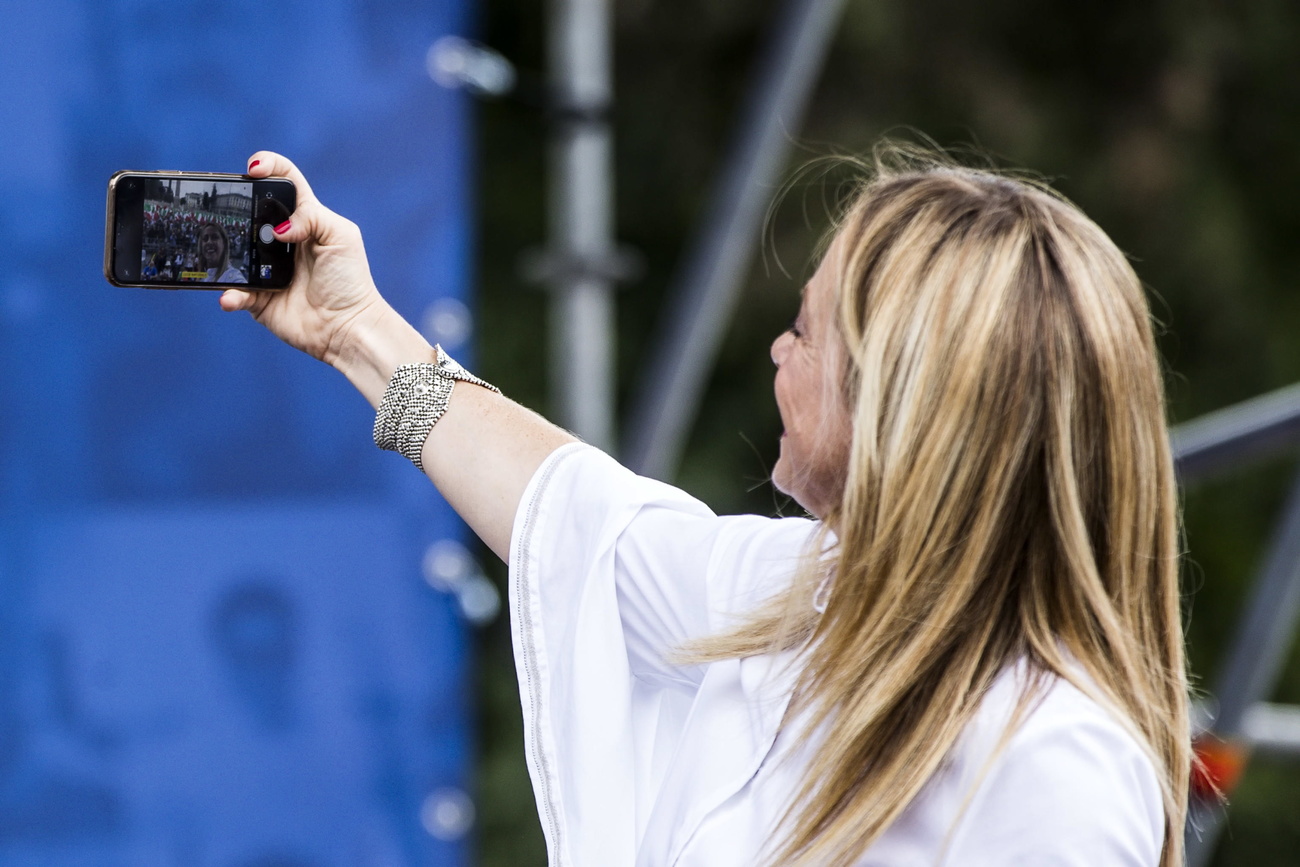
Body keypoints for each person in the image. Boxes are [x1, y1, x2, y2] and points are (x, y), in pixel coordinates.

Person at [220, 148, 1190, 867]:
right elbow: (574, 519)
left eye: (806, 331)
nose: (778, 351)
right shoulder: (804, 593)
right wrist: (355, 329)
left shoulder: (1056, 765)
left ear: (906, 404)